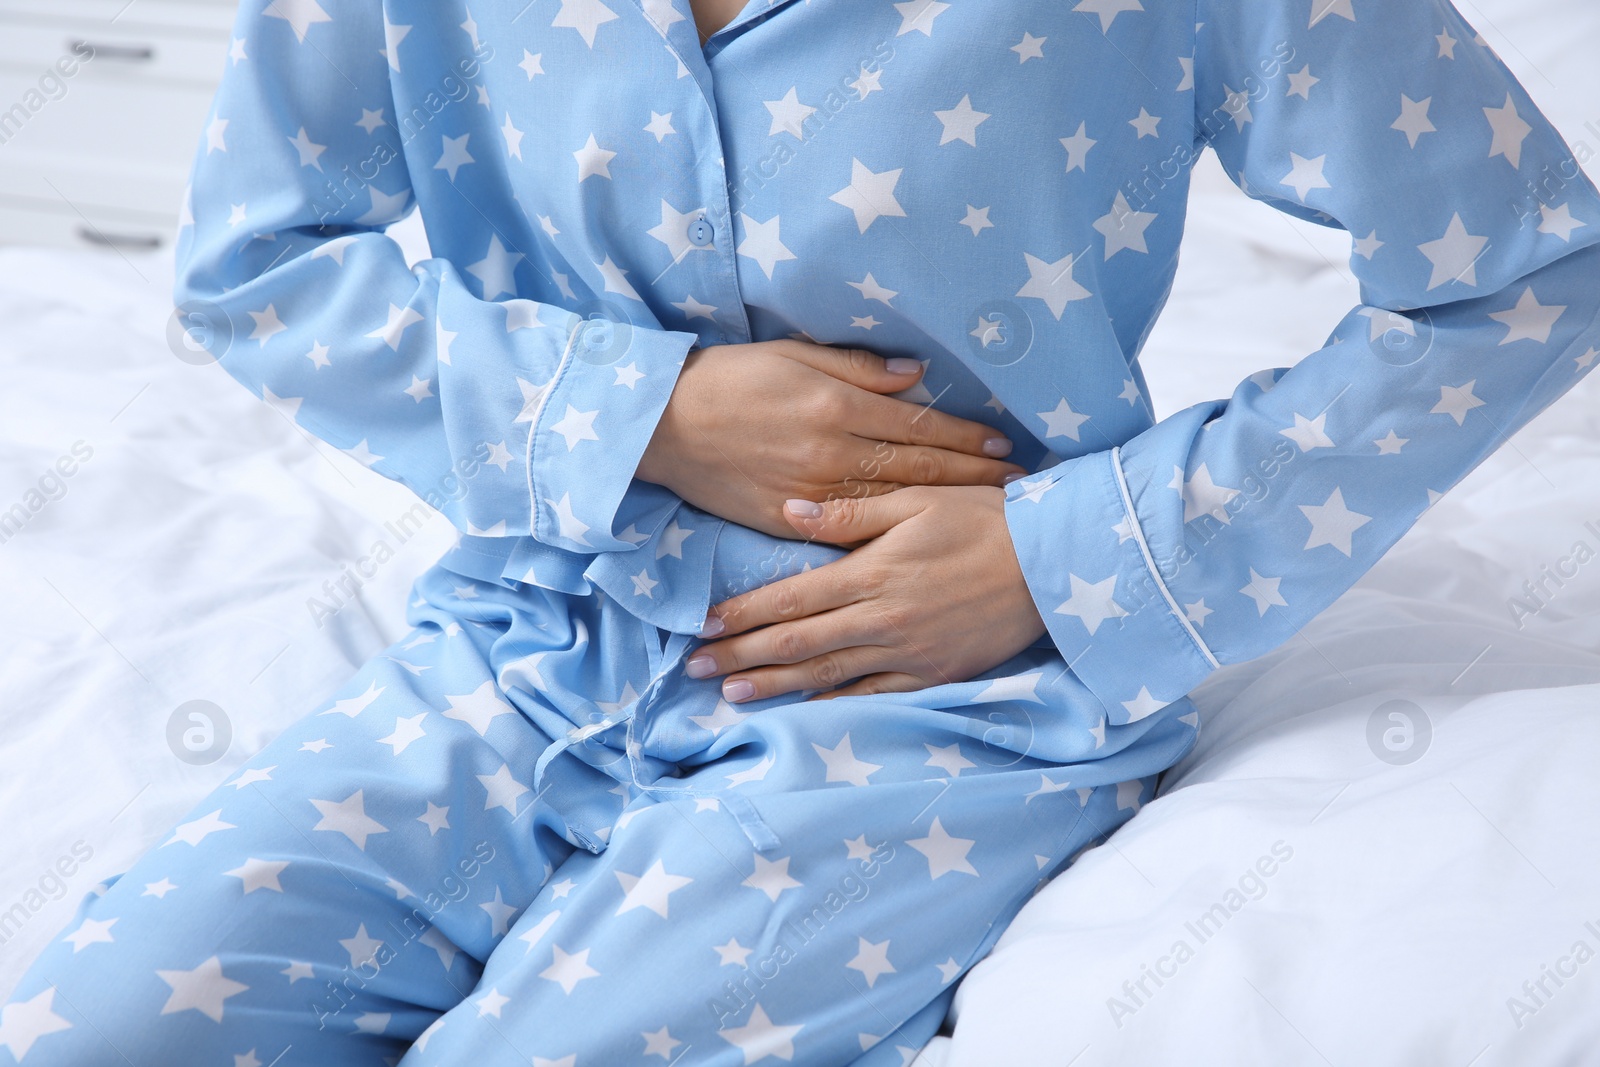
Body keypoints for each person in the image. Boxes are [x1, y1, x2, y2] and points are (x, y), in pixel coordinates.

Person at [5, 0, 1598, 1062]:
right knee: (89, 1028)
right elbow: (257, 259)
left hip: (942, 705)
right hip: (533, 641)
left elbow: (1533, 263)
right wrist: (646, 411)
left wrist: (1076, 559)